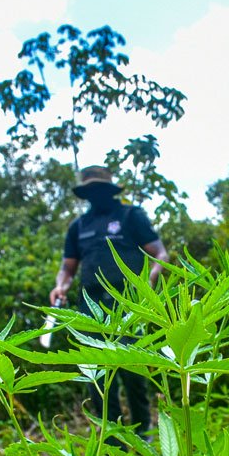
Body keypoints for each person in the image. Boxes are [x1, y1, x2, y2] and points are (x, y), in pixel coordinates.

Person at [50, 165, 169, 436]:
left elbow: (160, 254)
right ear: (85, 193)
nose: (96, 195)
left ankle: (143, 438)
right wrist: (60, 287)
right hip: (90, 308)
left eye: (100, 189)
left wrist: (148, 283)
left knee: (133, 371)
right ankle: (112, 448)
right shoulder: (78, 226)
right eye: (90, 191)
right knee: (98, 379)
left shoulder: (130, 216)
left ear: (109, 190)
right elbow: (68, 268)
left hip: (128, 304)